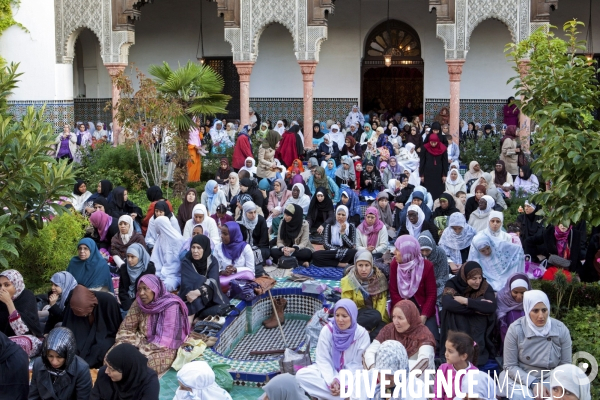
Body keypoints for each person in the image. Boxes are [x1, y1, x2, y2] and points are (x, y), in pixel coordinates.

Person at [499, 290, 572, 400]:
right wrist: (533, 383)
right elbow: (510, 366)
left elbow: (565, 365)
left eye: (544, 310)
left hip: (551, 376)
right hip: (520, 376)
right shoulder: (516, 329)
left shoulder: (560, 329)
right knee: (523, 396)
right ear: (527, 310)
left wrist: (547, 385)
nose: (541, 316)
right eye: (535, 311)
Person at [114, 275, 190, 376]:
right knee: (112, 358)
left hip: (163, 348)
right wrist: (131, 345)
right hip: (138, 341)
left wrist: (139, 351)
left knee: (143, 367)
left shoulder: (171, 305)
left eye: (145, 289)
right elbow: (127, 328)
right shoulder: (139, 302)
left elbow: (165, 340)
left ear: (156, 289)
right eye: (139, 289)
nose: (141, 293)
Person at [296, 300, 370, 400]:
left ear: (352, 316)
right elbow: (323, 359)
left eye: (344, 316)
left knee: (364, 381)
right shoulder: (327, 330)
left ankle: (331, 395)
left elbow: (357, 365)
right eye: (337, 315)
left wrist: (339, 380)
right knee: (301, 376)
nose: (340, 320)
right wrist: (332, 381)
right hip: (329, 374)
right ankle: (344, 397)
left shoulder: (362, 335)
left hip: (351, 376)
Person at [439, 262, 497, 367]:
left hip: (477, 325)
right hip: (458, 322)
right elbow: (447, 304)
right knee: (451, 312)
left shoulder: (485, 286)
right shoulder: (453, 284)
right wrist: (478, 306)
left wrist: (466, 301)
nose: (478, 282)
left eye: (480, 278)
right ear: (465, 276)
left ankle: (475, 351)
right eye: (474, 279)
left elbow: (491, 307)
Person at [364, 300, 436, 383]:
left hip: (415, 382)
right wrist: (376, 372)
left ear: (411, 317)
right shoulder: (389, 330)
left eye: (400, 318)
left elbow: (424, 361)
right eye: (394, 317)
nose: (395, 322)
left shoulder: (424, 334)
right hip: (388, 379)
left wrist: (400, 379)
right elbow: (370, 351)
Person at [389, 236, 439, 343]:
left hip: (422, 307)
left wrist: (423, 316)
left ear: (408, 252)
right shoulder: (395, 265)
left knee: (431, 340)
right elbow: (393, 292)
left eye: (398, 250)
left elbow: (431, 294)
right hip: (402, 307)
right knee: (400, 340)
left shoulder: (426, 266)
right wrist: (405, 313)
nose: (394, 252)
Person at [62, 285, 122, 368]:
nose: (86, 315)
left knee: (101, 348)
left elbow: (115, 327)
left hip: (105, 335)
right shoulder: (74, 304)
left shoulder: (107, 301)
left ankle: (84, 367)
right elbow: (71, 329)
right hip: (84, 334)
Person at [29, 327, 92, 400]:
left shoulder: (81, 369)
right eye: (50, 356)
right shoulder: (38, 364)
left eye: (59, 357)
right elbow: (33, 396)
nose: (54, 362)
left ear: (68, 354)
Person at [179, 235, 229, 323]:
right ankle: (190, 323)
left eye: (199, 248)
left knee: (201, 292)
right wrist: (197, 290)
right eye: (193, 247)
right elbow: (187, 283)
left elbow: (213, 281)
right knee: (196, 295)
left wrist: (198, 292)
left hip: (208, 296)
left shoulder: (213, 261)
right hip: (188, 295)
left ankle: (196, 319)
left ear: (205, 248)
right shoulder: (186, 261)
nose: (195, 251)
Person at [341, 251, 389, 339]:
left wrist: (372, 326)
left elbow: (381, 307)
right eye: (360, 265)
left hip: (376, 317)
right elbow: (348, 307)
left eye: (367, 265)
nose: (363, 269)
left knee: (383, 326)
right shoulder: (348, 280)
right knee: (374, 318)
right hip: (357, 314)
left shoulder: (380, 279)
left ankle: (356, 334)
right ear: (355, 265)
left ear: (371, 265)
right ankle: (354, 332)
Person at [90, 343, 159, 400]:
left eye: (112, 369)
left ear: (127, 370)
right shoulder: (104, 374)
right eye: (107, 366)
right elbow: (94, 397)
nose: (106, 371)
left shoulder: (150, 383)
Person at [0, 269, 42, 357]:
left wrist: (9, 303)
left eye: (7, 285)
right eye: (0, 285)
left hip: (24, 340)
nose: (2, 289)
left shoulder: (27, 297)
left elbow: (22, 332)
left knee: (21, 343)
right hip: (3, 341)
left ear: (16, 285)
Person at [433, 331, 480, 400]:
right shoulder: (442, 368)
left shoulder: (475, 373)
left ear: (463, 356)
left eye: (450, 351)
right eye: (446, 349)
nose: (446, 354)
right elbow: (437, 396)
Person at [214, 222, 255, 291]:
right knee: (220, 282)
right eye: (221, 233)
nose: (222, 236)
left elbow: (251, 270)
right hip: (225, 279)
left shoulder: (245, 247)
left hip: (242, 278)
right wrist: (222, 272)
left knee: (250, 275)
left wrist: (236, 270)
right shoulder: (218, 248)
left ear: (233, 234)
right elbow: (214, 268)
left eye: (225, 234)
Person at [150, 216, 185, 291]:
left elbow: (180, 262)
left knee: (167, 285)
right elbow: (156, 259)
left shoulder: (178, 239)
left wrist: (168, 272)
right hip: (161, 272)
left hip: (174, 275)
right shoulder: (160, 239)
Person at [118, 243, 156, 312]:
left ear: (140, 256)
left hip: (144, 301)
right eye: (128, 256)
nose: (129, 260)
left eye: (132, 257)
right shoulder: (124, 268)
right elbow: (122, 290)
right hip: (128, 301)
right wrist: (128, 305)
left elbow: (150, 291)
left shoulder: (148, 269)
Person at [496, 272, 530, 344]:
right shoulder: (502, 297)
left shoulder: (532, 299)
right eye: (515, 292)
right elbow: (500, 315)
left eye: (522, 292)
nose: (519, 296)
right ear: (509, 289)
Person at [237, 201, 269, 276]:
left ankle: (258, 262)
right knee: (242, 255)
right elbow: (239, 242)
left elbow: (264, 241)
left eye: (255, 212)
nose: (253, 215)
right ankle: (261, 262)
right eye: (250, 213)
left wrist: (255, 249)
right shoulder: (239, 222)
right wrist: (247, 250)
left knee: (265, 252)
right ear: (245, 213)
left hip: (259, 248)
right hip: (244, 249)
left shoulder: (261, 220)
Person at [418, 231, 449, 307]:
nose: (424, 253)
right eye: (422, 250)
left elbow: (443, 276)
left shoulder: (440, 253)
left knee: (445, 291)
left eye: (427, 250)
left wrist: (432, 284)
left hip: (438, 283)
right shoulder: (417, 255)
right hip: (422, 284)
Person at [419, 133, 448, 201]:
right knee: (428, 190)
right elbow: (422, 161)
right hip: (427, 173)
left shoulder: (443, 148)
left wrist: (444, 174)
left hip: (439, 173)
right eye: (431, 142)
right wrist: (422, 174)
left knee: (438, 191)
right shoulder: (425, 148)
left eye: (435, 142)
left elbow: (445, 162)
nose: (433, 144)